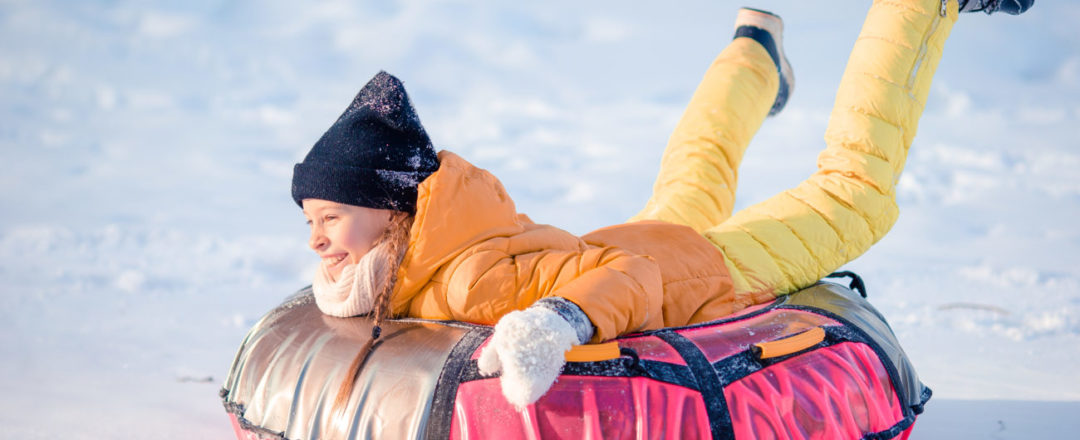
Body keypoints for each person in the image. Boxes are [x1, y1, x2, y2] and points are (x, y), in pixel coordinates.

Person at [291, 0, 1032, 410]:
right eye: (309, 223)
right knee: (696, 170)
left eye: (331, 218)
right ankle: (753, 52)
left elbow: (632, 286)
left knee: (855, 190)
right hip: (650, 239)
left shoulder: (465, 278)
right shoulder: (435, 248)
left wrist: (557, 322)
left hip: (702, 269)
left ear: (391, 212)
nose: (319, 241)